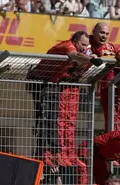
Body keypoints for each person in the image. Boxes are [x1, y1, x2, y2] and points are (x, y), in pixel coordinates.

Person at [27, 31, 101, 167]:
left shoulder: (84, 49)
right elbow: (75, 56)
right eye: (82, 44)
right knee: (43, 119)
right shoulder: (68, 46)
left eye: (86, 45)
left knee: (53, 119)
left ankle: (54, 153)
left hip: (53, 83)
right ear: (75, 41)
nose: (85, 48)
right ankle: (42, 154)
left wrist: (91, 57)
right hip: (41, 82)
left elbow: (83, 55)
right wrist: (91, 59)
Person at [88, 22, 120, 133]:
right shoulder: (87, 42)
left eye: (106, 33)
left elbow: (119, 50)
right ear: (94, 31)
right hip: (90, 82)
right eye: (102, 32)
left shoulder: (109, 46)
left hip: (110, 82)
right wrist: (91, 57)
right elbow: (84, 52)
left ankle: (112, 135)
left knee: (116, 114)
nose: (104, 36)